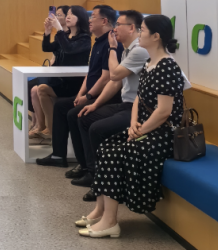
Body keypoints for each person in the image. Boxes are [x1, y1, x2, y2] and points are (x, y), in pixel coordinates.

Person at [77, 15, 185, 239]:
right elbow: (138, 99)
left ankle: (109, 221)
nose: (139, 34)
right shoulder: (149, 63)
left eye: (142, 30)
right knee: (106, 147)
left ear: (156, 36)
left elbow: (164, 111)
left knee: (116, 152)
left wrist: (140, 130)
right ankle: (103, 213)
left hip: (162, 134)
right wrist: (134, 122)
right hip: (144, 128)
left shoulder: (168, 66)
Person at [37, 5, 124, 169]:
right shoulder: (98, 42)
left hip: (99, 95)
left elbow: (106, 78)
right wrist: (81, 94)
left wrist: (88, 96)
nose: (90, 20)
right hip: (85, 90)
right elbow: (90, 73)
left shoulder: (105, 43)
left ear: (104, 21)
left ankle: (85, 165)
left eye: (93, 17)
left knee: (72, 112)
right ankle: (59, 155)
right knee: (60, 105)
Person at [74, 11, 150, 196]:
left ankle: (101, 181)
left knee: (96, 128)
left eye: (119, 25)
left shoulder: (139, 50)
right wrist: (94, 104)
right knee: (84, 116)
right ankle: (92, 172)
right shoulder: (128, 49)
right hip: (126, 104)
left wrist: (112, 48)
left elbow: (114, 74)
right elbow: (115, 83)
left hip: (137, 108)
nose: (115, 29)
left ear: (131, 28)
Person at [29, 6, 91, 139]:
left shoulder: (84, 38)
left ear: (80, 18)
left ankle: (51, 130)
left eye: (72, 14)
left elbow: (69, 49)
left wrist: (59, 29)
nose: (68, 16)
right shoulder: (65, 35)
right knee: (37, 88)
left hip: (74, 82)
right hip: (61, 79)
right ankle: (46, 128)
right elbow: (47, 48)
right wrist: (47, 32)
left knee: (42, 89)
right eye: (68, 14)